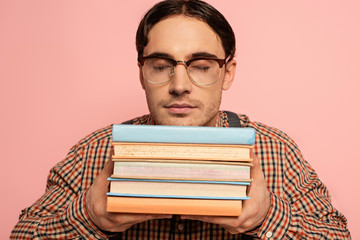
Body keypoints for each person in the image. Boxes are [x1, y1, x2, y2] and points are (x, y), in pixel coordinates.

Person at [11, 0, 351, 239]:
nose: (179, 85)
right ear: (142, 73)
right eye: (160, 66)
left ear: (227, 72)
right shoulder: (94, 152)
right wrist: (89, 217)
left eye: (201, 66)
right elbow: (23, 234)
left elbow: (336, 234)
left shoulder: (275, 151)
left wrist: (268, 218)